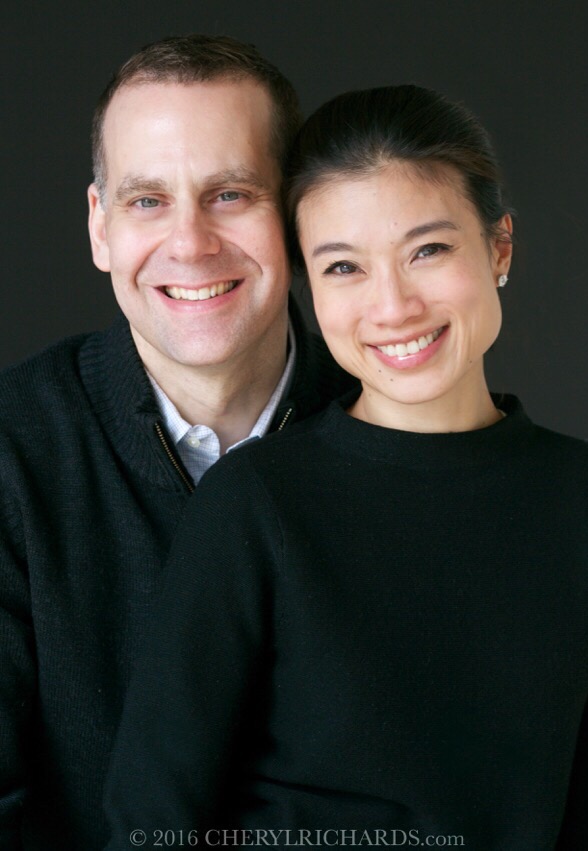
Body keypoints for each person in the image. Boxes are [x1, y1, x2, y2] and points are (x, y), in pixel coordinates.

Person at [103, 85, 588, 850]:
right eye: (343, 267)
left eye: (428, 250)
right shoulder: (257, 502)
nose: (392, 306)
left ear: (499, 247)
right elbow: (151, 820)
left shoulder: (578, 499)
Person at [0, 35, 355, 851]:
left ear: (297, 213)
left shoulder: (392, 438)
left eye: (230, 194)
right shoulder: (13, 450)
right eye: (147, 201)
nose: (190, 242)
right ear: (100, 226)